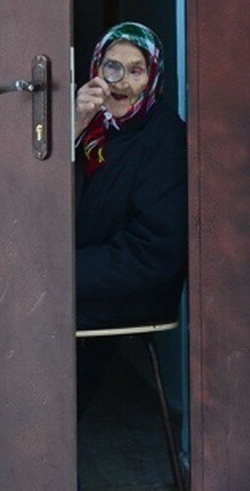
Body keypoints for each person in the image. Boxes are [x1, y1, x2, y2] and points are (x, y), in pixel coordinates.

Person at [73, 22, 187, 412]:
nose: (119, 82)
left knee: (32, 315)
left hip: (135, 287)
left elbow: (153, 250)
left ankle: (47, 454)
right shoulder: (90, 131)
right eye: (111, 67)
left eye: (135, 70)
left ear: (153, 77)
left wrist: (61, 272)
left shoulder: (164, 137)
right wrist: (72, 127)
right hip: (86, 275)